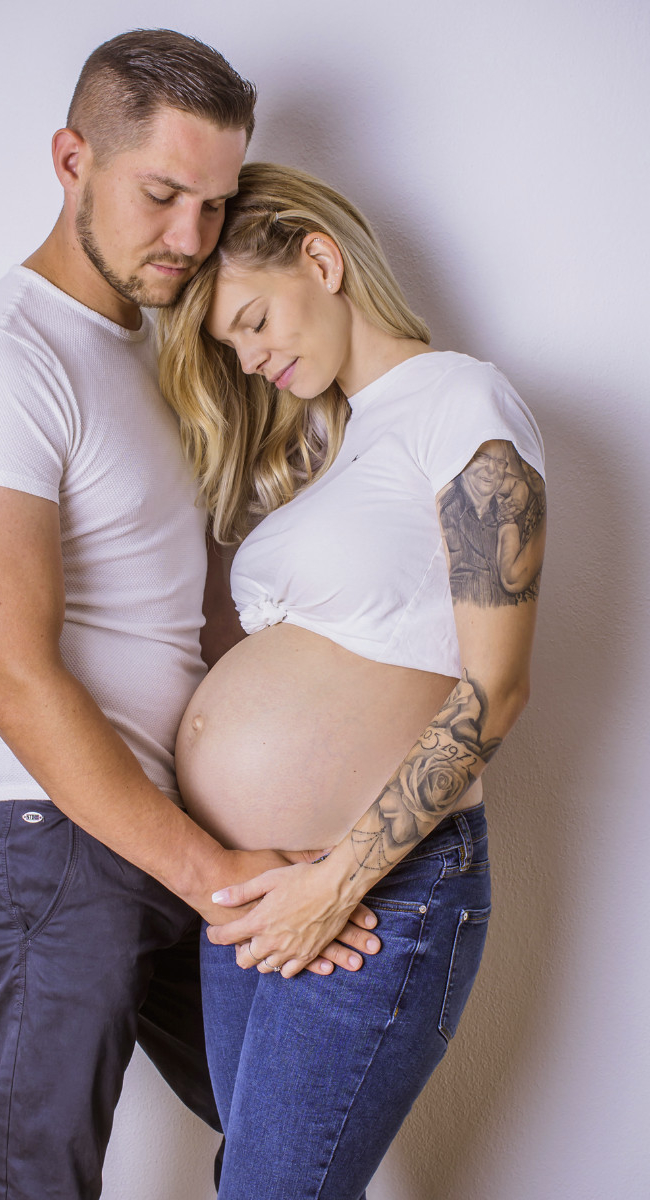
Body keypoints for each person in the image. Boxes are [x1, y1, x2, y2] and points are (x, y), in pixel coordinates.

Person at [0, 33, 377, 1200]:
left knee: (290, 1141)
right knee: (33, 1181)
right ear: (72, 159)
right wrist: (213, 875)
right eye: (161, 194)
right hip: (45, 836)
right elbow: (11, 678)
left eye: (213, 205)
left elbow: (195, 619)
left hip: (160, 826)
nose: (190, 236)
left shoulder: (152, 353)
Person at [157, 161, 546, 1198]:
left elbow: (496, 687)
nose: (250, 356)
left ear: (321, 260)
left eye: (252, 320)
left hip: (375, 888)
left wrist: (334, 885)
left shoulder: (458, 397)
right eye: (231, 346)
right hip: (258, 887)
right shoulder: (341, 441)